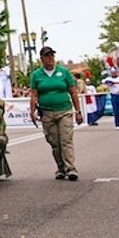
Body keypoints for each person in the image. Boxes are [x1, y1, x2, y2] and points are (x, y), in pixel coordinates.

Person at [28, 47, 83, 181]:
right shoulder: (36, 75)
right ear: (42, 59)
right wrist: (32, 112)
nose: (50, 58)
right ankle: (61, 168)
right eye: (47, 56)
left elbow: (73, 92)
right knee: (54, 142)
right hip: (47, 112)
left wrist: (78, 111)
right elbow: (34, 95)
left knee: (66, 140)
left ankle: (71, 169)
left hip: (64, 110)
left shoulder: (63, 72)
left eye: (52, 55)